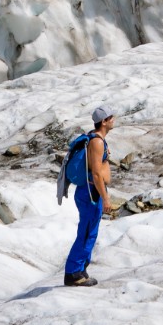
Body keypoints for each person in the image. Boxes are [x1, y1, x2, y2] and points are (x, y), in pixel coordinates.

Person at [62, 106, 114, 287]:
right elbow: (97, 174)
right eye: (111, 118)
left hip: (91, 191)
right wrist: (105, 198)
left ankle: (81, 269)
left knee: (90, 232)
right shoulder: (97, 142)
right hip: (91, 192)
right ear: (104, 121)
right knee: (86, 233)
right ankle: (73, 273)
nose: (114, 120)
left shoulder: (97, 140)